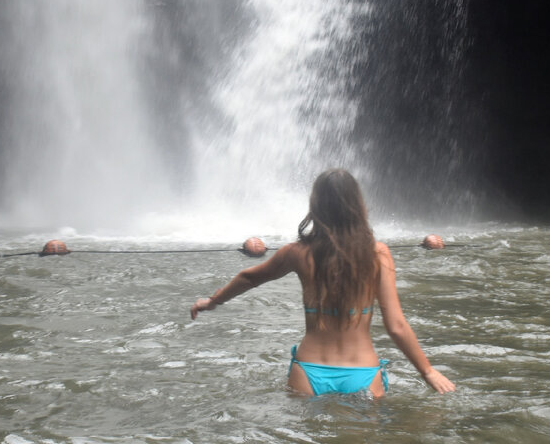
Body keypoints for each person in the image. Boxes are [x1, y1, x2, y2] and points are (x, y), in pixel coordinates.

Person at [190, 169, 456, 397]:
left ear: (316, 206)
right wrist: (428, 371)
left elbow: (249, 277)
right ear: (357, 205)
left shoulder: (297, 252)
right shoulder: (377, 253)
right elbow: (396, 325)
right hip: (362, 371)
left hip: (309, 370)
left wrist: (213, 302)